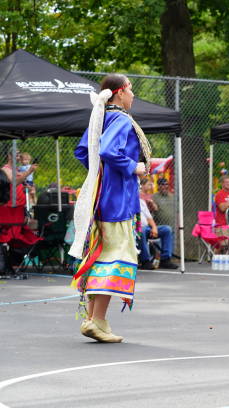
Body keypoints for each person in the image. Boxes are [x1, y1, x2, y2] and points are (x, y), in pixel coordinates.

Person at [69, 73, 152, 343]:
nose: (133, 95)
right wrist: (133, 168)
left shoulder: (100, 118)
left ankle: (94, 320)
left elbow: (84, 152)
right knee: (116, 257)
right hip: (117, 201)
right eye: (131, 90)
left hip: (103, 198)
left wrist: (100, 176)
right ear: (119, 92)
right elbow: (107, 151)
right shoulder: (120, 118)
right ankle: (98, 320)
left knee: (100, 255)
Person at [139, 197, 178, 270]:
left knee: (167, 229)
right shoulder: (124, 202)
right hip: (135, 229)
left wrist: (154, 228)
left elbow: (149, 217)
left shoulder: (140, 201)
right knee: (142, 230)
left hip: (146, 228)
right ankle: (145, 261)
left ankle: (165, 260)